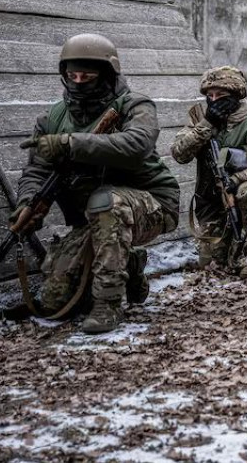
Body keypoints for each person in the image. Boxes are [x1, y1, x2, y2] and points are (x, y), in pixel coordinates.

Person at [16, 34, 180, 333]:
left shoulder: (136, 105)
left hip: (153, 205)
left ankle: (109, 305)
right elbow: (37, 172)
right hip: (94, 220)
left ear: (107, 74)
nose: (79, 81)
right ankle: (129, 265)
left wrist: (70, 144)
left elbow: (137, 145)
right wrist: (29, 203)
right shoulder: (51, 118)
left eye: (88, 75)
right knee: (54, 300)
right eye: (72, 75)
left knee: (106, 202)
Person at [171, 66, 247, 277]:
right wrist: (207, 124)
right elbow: (179, 154)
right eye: (210, 96)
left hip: (239, 197)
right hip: (210, 201)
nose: (214, 100)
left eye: (221, 95)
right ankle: (232, 245)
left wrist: (238, 179)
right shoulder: (200, 119)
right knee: (210, 263)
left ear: (235, 96)